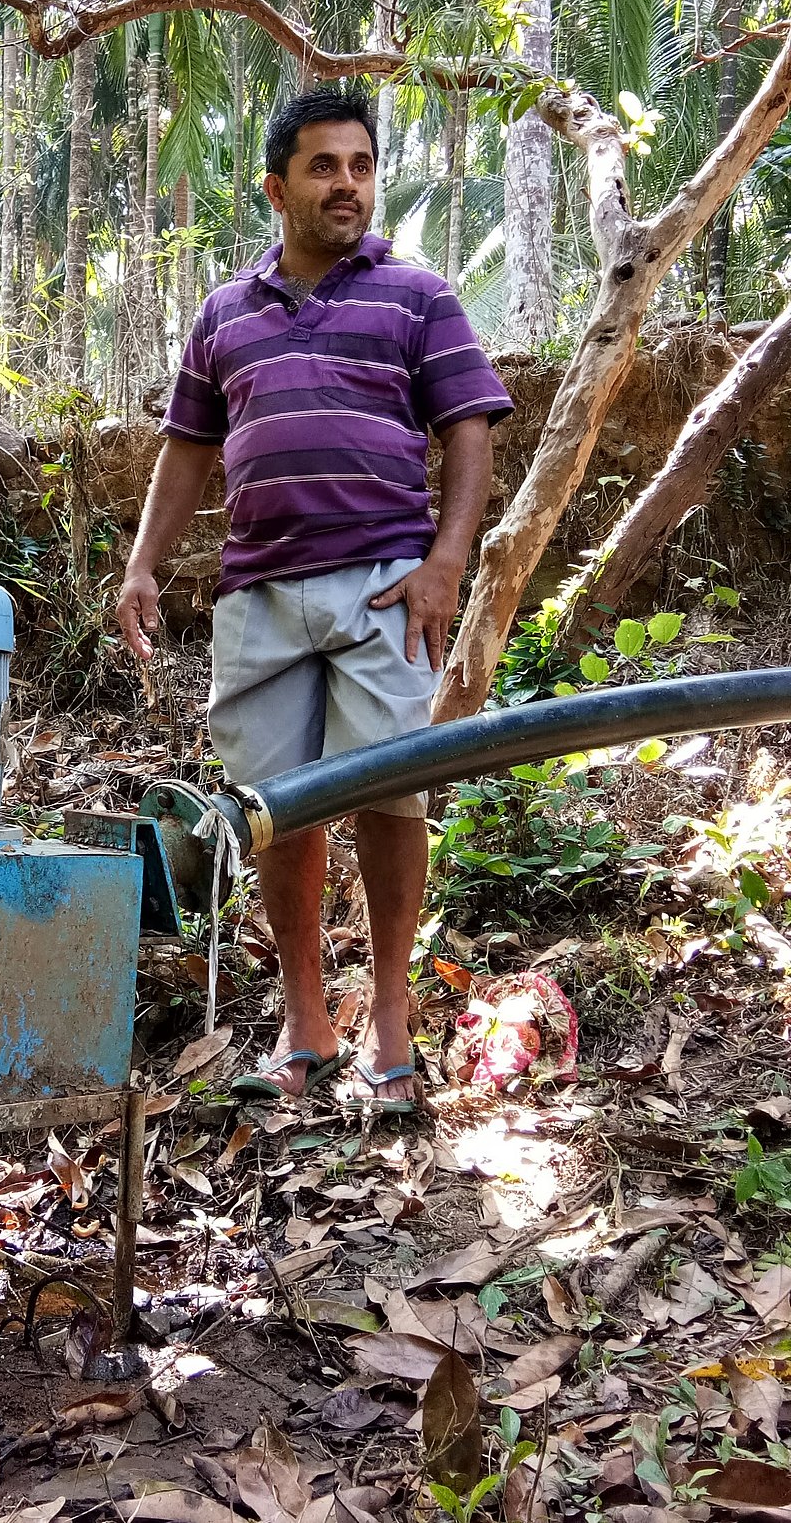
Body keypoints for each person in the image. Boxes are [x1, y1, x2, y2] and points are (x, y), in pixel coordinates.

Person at [116, 89, 513, 1113]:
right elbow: (188, 449)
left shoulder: (418, 296)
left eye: (362, 165)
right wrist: (144, 564)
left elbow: (469, 427)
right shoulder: (224, 314)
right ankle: (305, 1021)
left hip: (385, 586)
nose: (348, 184)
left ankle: (389, 1017)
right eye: (325, 166)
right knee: (278, 809)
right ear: (276, 186)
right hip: (258, 594)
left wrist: (446, 562)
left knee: (391, 795)